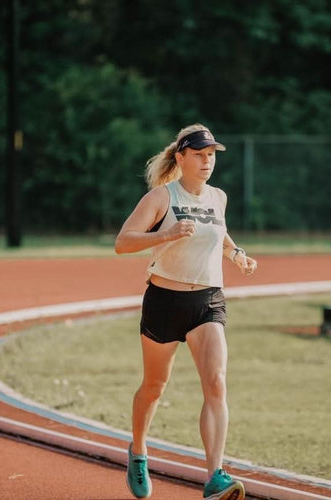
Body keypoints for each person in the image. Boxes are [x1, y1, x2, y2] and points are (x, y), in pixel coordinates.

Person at [115, 124, 257, 500]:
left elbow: (219, 232)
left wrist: (236, 254)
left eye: (211, 155)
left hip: (208, 301)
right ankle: (139, 451)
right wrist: (166, 234)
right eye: (199, 154)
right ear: (181, 157)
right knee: (154, 386)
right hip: (165, 302)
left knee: (216, 383)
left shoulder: (218, 197)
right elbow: (123, 243)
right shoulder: (161, 198)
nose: (207, 161)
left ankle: (215, 477)